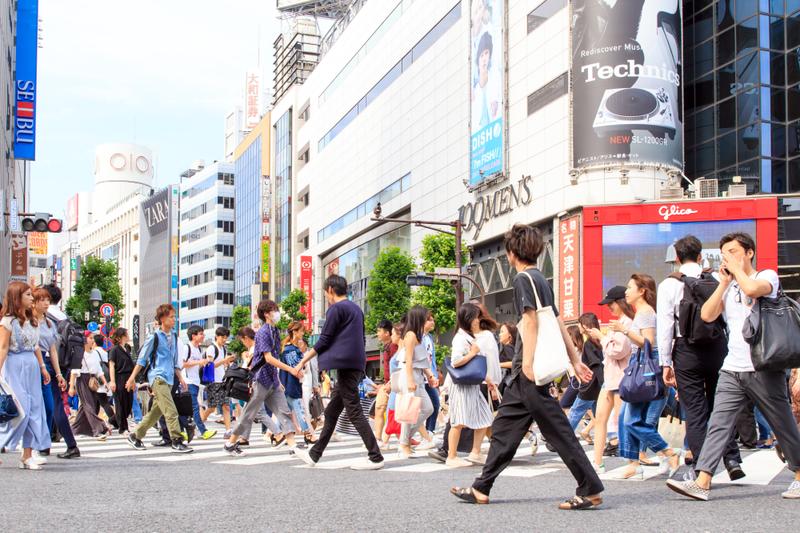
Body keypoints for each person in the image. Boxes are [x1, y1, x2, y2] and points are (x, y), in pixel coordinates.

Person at [450, 224, 603, 509]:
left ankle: (590, 488)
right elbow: (556, 321)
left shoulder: (523, 279)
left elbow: (531, 321)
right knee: (506, 428)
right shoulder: (540, 279)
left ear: (511, 252)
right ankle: (481, 487)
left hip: (528, 373)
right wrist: (575, 359)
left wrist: (529, 364)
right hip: (524, 377)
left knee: (558, 432)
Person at [667, 232, 800, 501]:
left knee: (783, 424)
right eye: (725, 252)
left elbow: (752, 290)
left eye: (733, 251)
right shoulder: (727, 284)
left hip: (763, 366)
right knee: (718, 422)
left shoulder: (767, 276)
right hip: (732, 366)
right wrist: (724, 283)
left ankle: (799, 474)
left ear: (749, 252)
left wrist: (737, 271)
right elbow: (707, 315)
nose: (728, 257)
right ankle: (703, 480)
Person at [657, 235, 743, 478]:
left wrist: (665, 363)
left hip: (686, 349)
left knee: (695, 411)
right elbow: (728, 318)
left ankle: (702, 468)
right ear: (700, 256)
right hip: (717, 347)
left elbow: (665, 327)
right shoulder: (716, 279)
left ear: (676, 258)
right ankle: (733, 459)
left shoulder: (668, 285)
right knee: (721, 406)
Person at [292, 274, 385, 470]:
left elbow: (324, 340)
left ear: (331, 290)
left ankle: (375, 456)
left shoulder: (336, 309)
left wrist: (302, 361)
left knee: (354, 410)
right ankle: (314, 454)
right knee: (333, 411)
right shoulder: (356, 309)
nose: (326, 297)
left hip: (345, 366)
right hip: (356, 363)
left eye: (326, 293)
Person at [612, 274, 682, 479]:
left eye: (630, 287)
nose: (626, 291)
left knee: (632, 420)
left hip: (646, 364)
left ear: (642, 291)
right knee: (628, 418)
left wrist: (624, 330)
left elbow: (648, 341)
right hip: (642, 363)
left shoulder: (645, 312)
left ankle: (668, 452)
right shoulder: (642, 311)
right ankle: (634, 462)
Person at [224, 301, 299, 456]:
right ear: (266, 314)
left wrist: (278, 380)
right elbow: (269, 358)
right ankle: (230, 442)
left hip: (272, 380)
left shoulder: (275, 331)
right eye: (274, 309)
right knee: (249, 414)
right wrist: (290, 369)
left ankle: (293, 445)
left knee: (283, 410)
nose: (277, 312)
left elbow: (275, 358)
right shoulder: (263, 332)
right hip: (260, 380)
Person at [125, 304, 193, 453]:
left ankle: (135, 436)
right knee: (171, 410)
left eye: (174, 316)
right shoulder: (154, 337)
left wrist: (180, 378)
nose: (174, 319)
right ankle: (176, 440)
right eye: (171, 317)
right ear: (162, 318)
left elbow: (174, 361)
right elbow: (142, 360)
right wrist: (131, 378)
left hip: (169, 379)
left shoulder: (174, 336)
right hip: (158, 377)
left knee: (156, 412)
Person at [0, 282, 52, 469]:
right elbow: (3, 347)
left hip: (31, 366)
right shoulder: (7, 321)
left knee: (34, 410)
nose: (32, 298)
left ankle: (27, 455)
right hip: (14, 366)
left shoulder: (33, 319)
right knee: (20, 411)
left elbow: (36, 346)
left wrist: (42, 367)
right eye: (28, 295)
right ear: (17, 297)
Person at [587, 287, 633, 472]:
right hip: (610, 379)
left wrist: (602, 337)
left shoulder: (628, 323)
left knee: (624, 423)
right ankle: (597, 462)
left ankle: (635, 462)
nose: (609, 307)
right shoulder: (619, 323)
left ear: (621, 302)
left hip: (621, 380)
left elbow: (618, 351)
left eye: (611, 304)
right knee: (600, 420)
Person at [446, 303, 496, 468]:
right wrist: (473, 353)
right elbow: (456, 361)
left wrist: (488, 380)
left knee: (484, 417)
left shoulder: (469, 337)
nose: (477, 320)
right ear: (469, 319)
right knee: (458, 420)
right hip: (462, 386)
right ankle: (451, 456)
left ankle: (475, 452)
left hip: (472, 384)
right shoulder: (460, 338)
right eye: (475, 317)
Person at [33, 286, 79, 459]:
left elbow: (52, 349)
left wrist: (58, 373)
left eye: (46, 299)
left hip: (48, 365)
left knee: (51, 405)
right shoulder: (32, 320)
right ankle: (44, 444)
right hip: (37, 365)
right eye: (40, 299)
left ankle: (51, 444)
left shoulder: (50, 322)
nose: (45, 303)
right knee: (44, 405)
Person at [566, 314, 604, 439]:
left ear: (585, 325)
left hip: (589, 386)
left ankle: (563, 438)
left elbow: (596, 365)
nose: (578, 326)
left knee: (575, 412)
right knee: (599, 416)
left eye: (579, 323)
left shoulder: (589, 344)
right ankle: (613, 439)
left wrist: (603, 383)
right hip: (597, 386)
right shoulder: (599, 341)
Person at [280, 320, 317, 444]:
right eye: (301, 331)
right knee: (299, 410)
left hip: (290, 384)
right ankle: (307, 434)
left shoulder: (292, 348)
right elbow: (298, 369)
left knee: (286, 412)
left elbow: (303, 367)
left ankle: (275, 433)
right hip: (291, 384)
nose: (302, 334)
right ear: (294, 332)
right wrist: (302, 366)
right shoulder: (289, 349)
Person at [70, 333, 112, 440]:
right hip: (82, 380)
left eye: (93, 338)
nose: (92, 340)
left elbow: (99, 370)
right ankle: (99, 428)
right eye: (90, 338)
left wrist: (105, 383)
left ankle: (73, 430)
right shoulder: (79, 354)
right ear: (84, 340)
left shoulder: (94, 354)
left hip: (93, 380)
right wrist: (71, 386)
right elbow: (74, 371)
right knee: (89, 405)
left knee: (85, 407)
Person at [180, 325, 216, 440]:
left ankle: (184, 431)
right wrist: (198, 362)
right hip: (187, 382)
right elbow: (182, 364)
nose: (203, 336)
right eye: (201, 334)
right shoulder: (187, 348)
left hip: (196, 382)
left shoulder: (199, 349)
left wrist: (203, 363)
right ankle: (202, 431)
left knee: (187, 409)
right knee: (194, 407)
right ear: (193, 335)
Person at [202, 327, 235, 436]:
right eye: (222, 337)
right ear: (217, 336)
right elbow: (211, 365)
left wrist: (228, 362)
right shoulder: (212, 348)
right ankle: (199, 423)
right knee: (212, 407)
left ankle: (228, 431)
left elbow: (222, 365)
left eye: (226, 338)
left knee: (226, 406)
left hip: (222, 381)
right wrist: (225, 360)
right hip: (213, 381)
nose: (224, 340)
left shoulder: (224, 349)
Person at [107, 328, 135, 435]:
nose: (128, 336)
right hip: (119, 377)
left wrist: (133, 380)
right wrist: (112, 381)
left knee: (128, 404)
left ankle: (113, 420)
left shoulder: (127, 348)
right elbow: (112, 366)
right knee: (120, 404)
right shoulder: (114, 350)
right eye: (125, 334)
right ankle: (123, 428)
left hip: (129, 378)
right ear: (119, 337)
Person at [373, 319, 396, 444]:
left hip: (392, 384)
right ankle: (378, 437)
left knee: (389, 411)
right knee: (380, 409)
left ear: (387, 333)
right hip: (387, 384)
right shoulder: (387, 346)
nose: (378, 334)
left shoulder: (393, 346)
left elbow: (397, 366)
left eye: (379, 331)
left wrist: (391, 383)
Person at [422, 313, 441, 436]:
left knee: (435, 404)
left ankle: (429, 431)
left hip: (429, 377)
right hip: (420, 377)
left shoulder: (429, 338)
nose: (433, 322)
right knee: (418, 408)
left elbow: (431, 359)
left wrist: (434, 375)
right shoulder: (417, 338)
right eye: (430, 320)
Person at [92, 334, 116, 428]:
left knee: (102, 402)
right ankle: (95, 421)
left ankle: (115, 421)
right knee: (99, 402)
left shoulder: (93, 352)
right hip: (105, 379)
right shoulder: (105, 352)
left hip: (97, 379)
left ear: (94, 342)